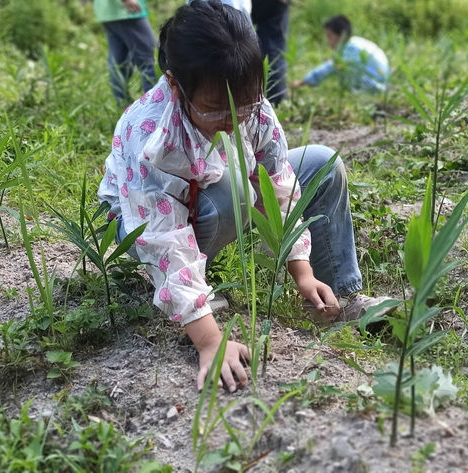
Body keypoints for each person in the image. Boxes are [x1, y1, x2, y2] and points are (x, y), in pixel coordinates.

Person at [98, 2, 392, 392]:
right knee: (231, 190)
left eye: (245, 105)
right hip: (133, 225)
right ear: (176, 85)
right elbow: (161, 238)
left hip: (215, 188)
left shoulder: (249, 102)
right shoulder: (152, 136)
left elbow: (278, 183)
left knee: (321, 163)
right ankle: (200, 296)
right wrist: (209, 340)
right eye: (217, 110)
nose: (235, 118)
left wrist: (301, 272)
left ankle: (338, 295)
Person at [292, 15, 390, 94]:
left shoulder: (351, 49)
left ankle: (356, 94)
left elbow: (329, 68)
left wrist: (303, 82)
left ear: (341, 35)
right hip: (382, 83)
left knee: (341, 67)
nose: (328, 41)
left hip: (375, 86)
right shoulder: (356, 43)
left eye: (330, 36)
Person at [94, 0, 159, 107]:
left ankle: (122, 105)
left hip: (107, 11)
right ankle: (154, 105)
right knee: (150, 57)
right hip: (126, 10)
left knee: (119, 61)